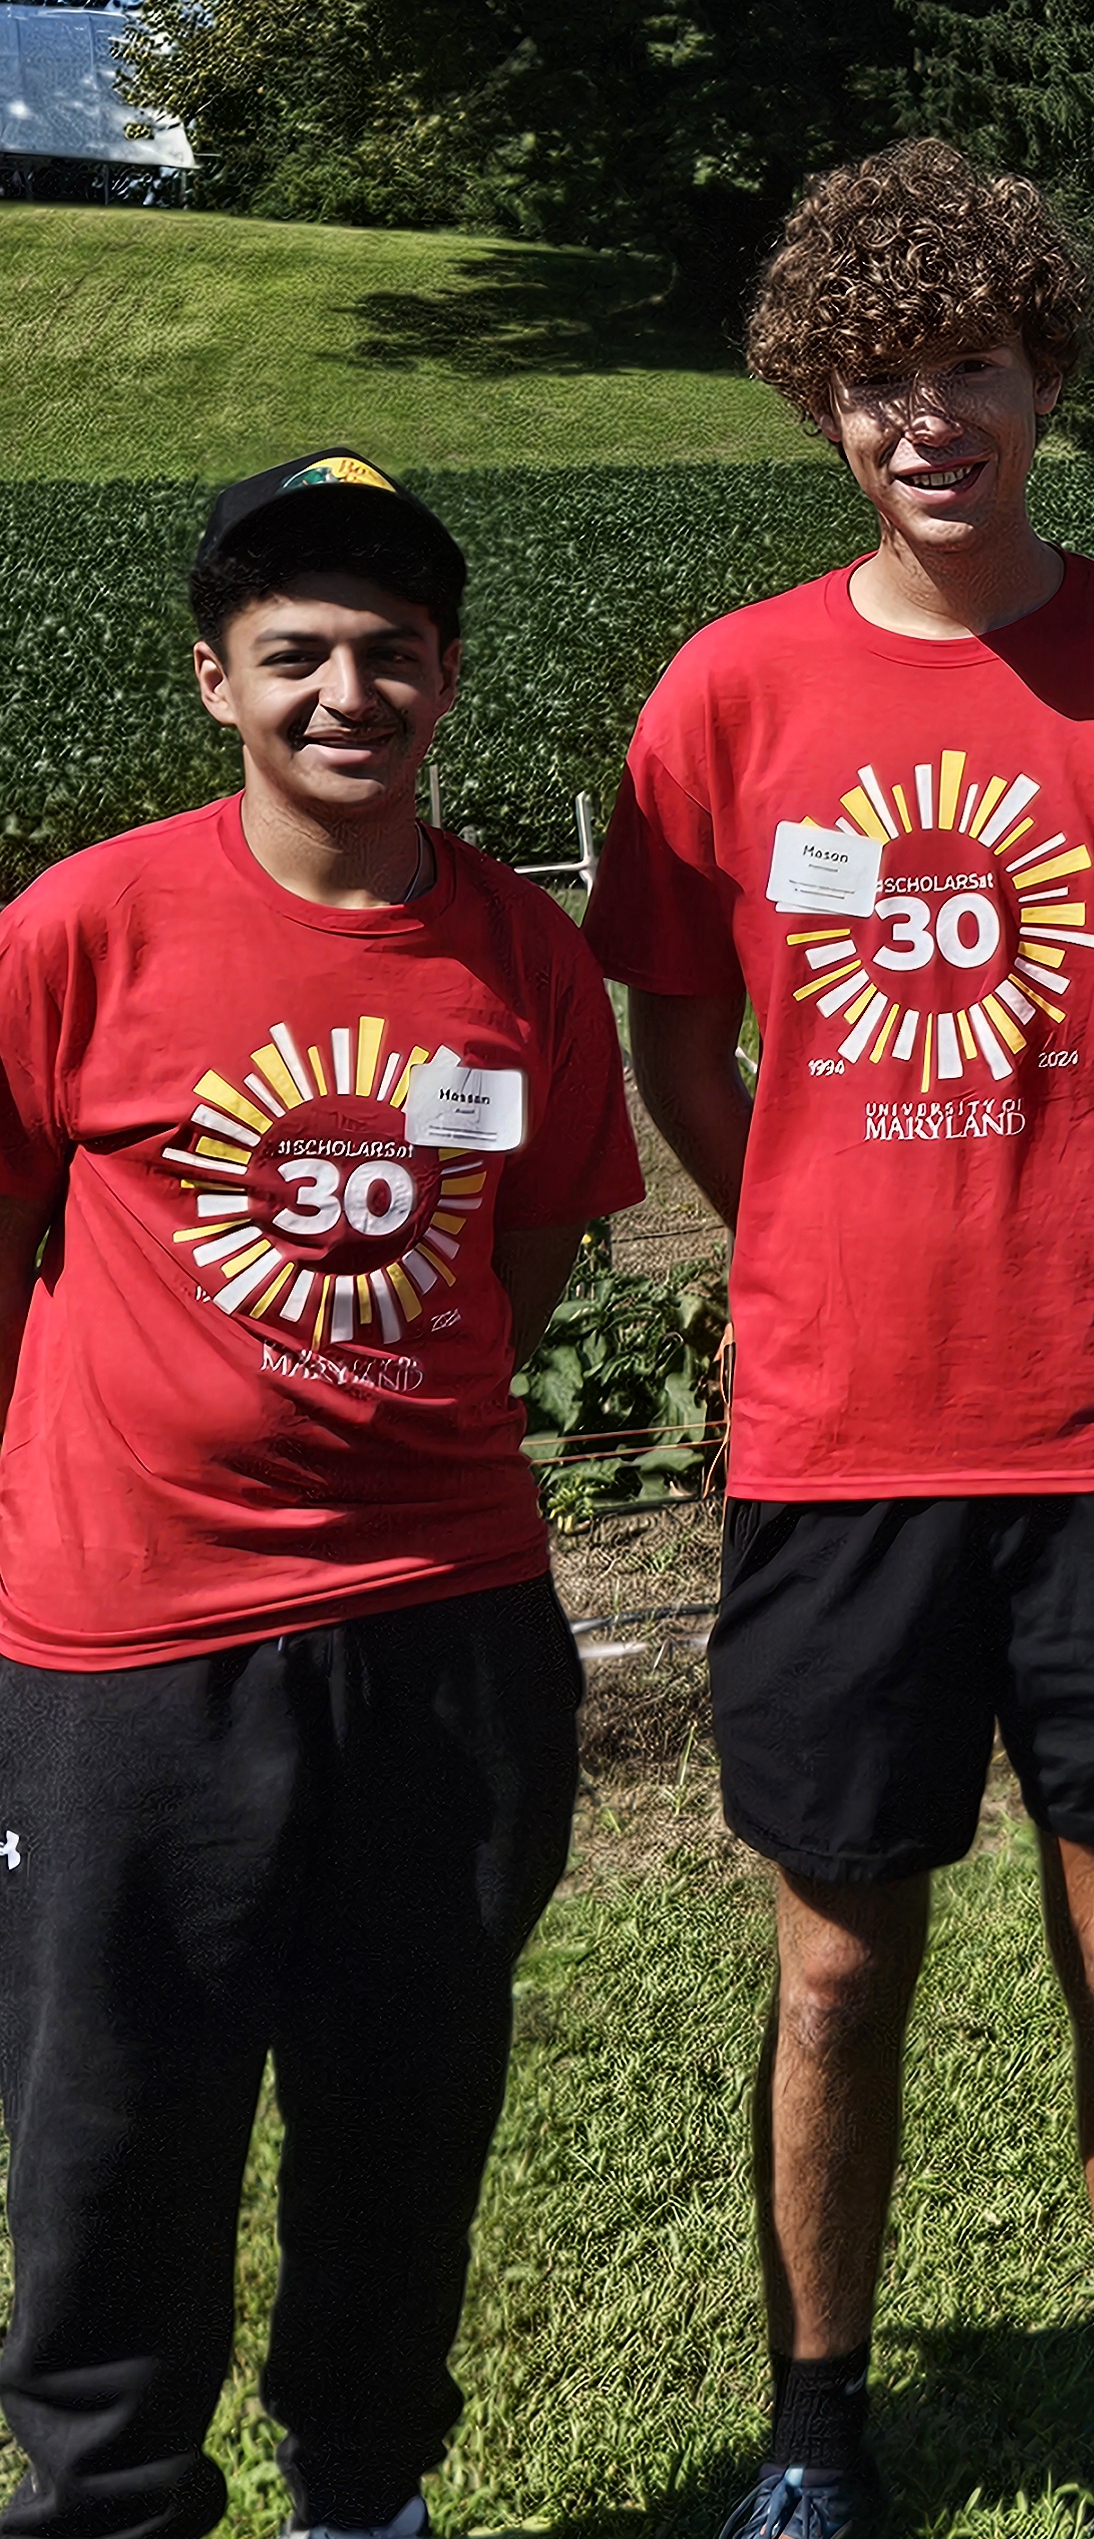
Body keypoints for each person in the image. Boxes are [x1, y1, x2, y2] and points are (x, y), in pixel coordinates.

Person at [584, 142, 1094, 2539]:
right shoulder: (730, 691)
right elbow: (682, 1027)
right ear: (818, 404)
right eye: (878, 384)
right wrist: (796, 1217)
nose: (927, 422)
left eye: (970, 369)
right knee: (837, 1963)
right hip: (837, 1429)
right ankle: (815, 2428)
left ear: (1041, 379)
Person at [0, 454, 640, 2539]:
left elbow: (533, 1250)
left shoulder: (522, 957)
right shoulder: (83, 928)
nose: (345, 692)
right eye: (296, 655)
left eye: (388, 652)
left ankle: (365, 2490)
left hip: (446, 1622)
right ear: (214, 681)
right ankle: (113, 2497)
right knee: (115, 2115)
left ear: (448, 677)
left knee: (407, 2095)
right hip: (131, 1638)